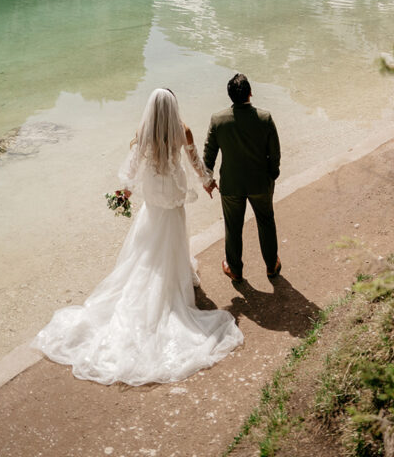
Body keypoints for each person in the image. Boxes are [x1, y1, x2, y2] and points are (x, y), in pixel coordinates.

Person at [33, 88, 243, 385]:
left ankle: (159, 275)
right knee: (173, 233)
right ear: (173, 106)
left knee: (147, 241)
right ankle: (175, 274)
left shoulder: (144, 131)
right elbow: (195, 161)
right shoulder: (183, 130)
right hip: (172, 194)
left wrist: (125, 193)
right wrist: (208, 182)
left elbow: (132, 166)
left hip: (154, 195)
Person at [203, 73, 281, 283]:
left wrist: (207, 180)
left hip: (231, 184)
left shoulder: (218, 120)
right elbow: (274, 153)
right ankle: (271, 265)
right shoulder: (265, 118)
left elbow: (209, 154)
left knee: (233, 226)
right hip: (260, 182)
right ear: (250, 93)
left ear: (230, 96)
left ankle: (235, 269)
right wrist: (273, 173)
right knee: (266, 221)